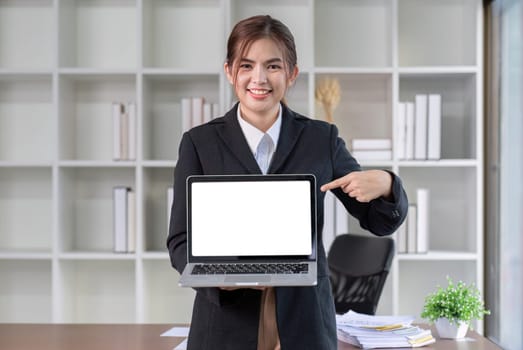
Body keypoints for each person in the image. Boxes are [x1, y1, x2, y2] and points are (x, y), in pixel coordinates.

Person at [167, 15, 408, 350]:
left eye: (273, 66)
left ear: (292, 74)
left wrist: (387, 183)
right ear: (229, 72)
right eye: (247, 65)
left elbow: (378, 222)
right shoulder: (199, 143)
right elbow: (180, 241)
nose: (259, 78)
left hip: (305, 320)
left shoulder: (320, 139)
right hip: (225, 324)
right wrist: (217, 280)